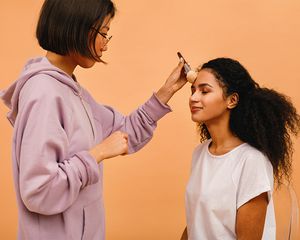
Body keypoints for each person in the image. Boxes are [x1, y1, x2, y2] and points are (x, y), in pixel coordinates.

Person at [0, 0, 187, 239]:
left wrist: (166, 91)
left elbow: (125, 133)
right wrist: (95, 155)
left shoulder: (71, 91)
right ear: (78, 27)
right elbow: (39, 192)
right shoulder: (44, 93)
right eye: (104, 33)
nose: (105, 46)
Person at [181, 58, 300, 240]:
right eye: (193, 90)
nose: (193, 98)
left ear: (232, 100)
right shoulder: (200, 153)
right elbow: (197, 222)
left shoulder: (251, 161)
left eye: (204, 91)